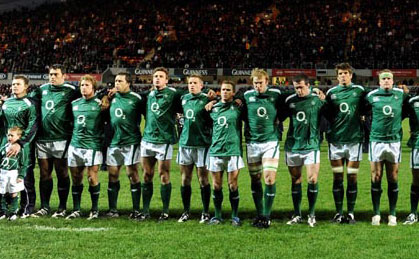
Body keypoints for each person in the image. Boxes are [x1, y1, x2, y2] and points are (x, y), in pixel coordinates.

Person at [30, 64, 79, 218]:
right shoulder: (41, 90)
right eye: (51, 74)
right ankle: (45, 206)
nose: (52, 77)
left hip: (61, 138)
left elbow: (86, 99)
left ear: (63, 76)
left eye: (56, 74)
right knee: (44, 173)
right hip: (43, 138)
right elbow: (29, 100)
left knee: (62, 172)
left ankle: (62, 207)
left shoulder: (71, 91)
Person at [281, 74, 325, 228]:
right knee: (296, 180)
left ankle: (311, 214)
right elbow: (278, 115)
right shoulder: (289, 100)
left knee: (312, 179)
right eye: (296, 87)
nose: (299, 90)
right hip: (293, 145)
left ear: (308, 85)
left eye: (301, 87)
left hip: (311, 145)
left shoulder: (317, 99)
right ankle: (297, 214)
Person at [140, 67, 183, 221]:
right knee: (146, 175)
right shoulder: (148, 94)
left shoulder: (173, 94)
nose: (157, 78)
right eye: (155, 76)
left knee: (163, 175)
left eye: (160, 76)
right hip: (147, 140)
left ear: (166, 79)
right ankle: (145, 211)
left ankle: (165, 211)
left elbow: (184, 107)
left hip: (163, 141)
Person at [366, 69, 408, 226]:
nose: (386, 81)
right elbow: (361, 110)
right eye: (383, 79)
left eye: (389, 79)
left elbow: (408, 110)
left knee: (393, 177)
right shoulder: (371, 96)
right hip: (376, 140)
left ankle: (392, 214)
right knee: (376, 176)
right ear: (379, 81)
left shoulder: (400, 95)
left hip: (394, 141)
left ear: (393, 80)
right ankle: (376, 213)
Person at [325, 63, 366, 224]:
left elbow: (367, 107)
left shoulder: (360, 91)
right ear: (337, 76)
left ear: (351, 75)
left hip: (354, 141)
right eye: (340, 73)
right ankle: (338, 212)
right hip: (335, 141)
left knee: (352, 177)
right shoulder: (331, 93)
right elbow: (326, 113)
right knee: (337, 177)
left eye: (346, 73)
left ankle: (351, 213)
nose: (343, 76)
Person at [241, 68, 281, 228]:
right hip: (252, 143)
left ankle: (267, 215)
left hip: (270, 142)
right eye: (255, 83)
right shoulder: (246, 96)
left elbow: (298, 94)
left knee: (269, 178)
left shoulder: (276, 95)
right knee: (255, 179)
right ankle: (259, 214)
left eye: (261, 83)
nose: (258, 86)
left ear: (267, 82)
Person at [65, 75, 107, 220]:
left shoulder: (100, 104)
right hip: (75, 145)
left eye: (87, 85)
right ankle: (76, 209)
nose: (84, 87)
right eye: (82, 85)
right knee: (76, 178)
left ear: (94, 88)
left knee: (91, 177)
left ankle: (94, 209)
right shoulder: (74, 104)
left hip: (92, 146)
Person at [106, 72, 144, 218]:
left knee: (132, 174)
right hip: (114, 142)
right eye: (115, 81)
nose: (117, 83)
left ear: (128, 83)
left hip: (131, 141)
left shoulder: (137, 98)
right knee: (113, 175)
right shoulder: (111, 97)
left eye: (120, 81)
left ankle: (136, 210)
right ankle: (113, 210)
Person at [0, 75, 38, 217]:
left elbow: (33, 125)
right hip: (6, 145)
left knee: (25, 177)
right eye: (13, 84)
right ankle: (8, 207)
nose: (14, 86)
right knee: (5, 175)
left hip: (24, 145)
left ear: (26, 86)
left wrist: (20, 144)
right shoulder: (6, 103)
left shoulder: (30, 103)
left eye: (18, 84)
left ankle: (27, 207)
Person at [176, 75, 212, 223]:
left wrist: (213, 98)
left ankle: (205, 212)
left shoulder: (207, 99)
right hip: (185, 144)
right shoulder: (183, 99)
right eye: (190, 83)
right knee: (185, 179)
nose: (192, 85)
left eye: (195, 83)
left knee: (203, 179)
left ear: (201, 85)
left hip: (202, 144)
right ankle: (186, 211)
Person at [207, 81, 244, 226]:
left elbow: (246, 95)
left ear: (233, 92)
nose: (225, 92)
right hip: (216, 151)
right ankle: (217, 216)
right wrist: (211, 102)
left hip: (233, 151)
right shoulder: (212, 108)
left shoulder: (238, 107)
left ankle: (235, 216)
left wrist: (239, 98)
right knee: (216, 185)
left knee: (232, 185)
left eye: (228, 90)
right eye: (223, 90)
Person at [0, 127, 25, 221]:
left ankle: (13, 212)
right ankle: (3, 212)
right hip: (3, 173)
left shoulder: (21, 150)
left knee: (14, 192)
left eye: (12, 135)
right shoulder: (3, 147)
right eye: (8, 135)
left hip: (14, 173)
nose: (9, 137)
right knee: (2, 192)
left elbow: (24, 164)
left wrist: (21, 175)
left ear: (19, 136)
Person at [404, 93, 419, 225]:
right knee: (416, 179)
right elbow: (397, 115)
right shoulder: (412, 102)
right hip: (417, 144)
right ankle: (413, 213)